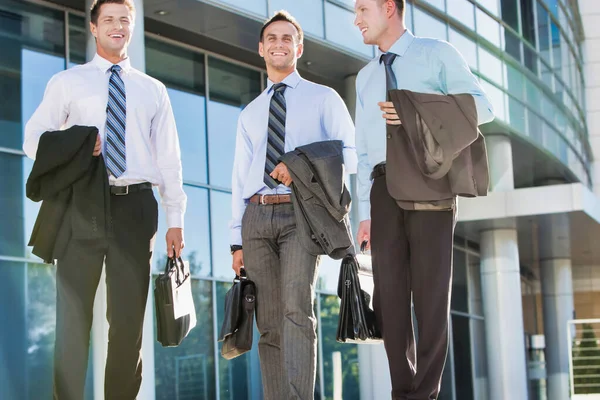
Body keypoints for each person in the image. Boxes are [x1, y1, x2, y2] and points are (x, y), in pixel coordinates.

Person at [23, 0, 186, 398]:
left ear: (131, 28)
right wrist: (79, 144)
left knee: (129, 325)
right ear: (94, 28)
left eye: (124, 20)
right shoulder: (67, 83)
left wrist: (175, 218)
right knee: (74, 322)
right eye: (109, 20)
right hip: (82, 206)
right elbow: (32, 141)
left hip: (136, 207)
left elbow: (169, 160)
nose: (118, 26)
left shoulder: (154, 90)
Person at [353, 0, 494, 399]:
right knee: (389, 300)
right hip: (382, 187)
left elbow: (482, 109)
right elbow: (364, 152)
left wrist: (416, 112)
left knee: (431, 300)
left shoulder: (437, 53)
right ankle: (403, 391)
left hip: (429, 182)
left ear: (389, 8)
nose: (356, 19)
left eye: (363, 8)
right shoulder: (364, 77)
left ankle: (425, 394)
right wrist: (365, 213)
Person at [229, 10, 357, 400]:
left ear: (299, 48)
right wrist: (236, 240)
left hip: (301, 216)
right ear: (261, 49)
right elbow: (238, 179)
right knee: (269, 323)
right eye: (272, 39)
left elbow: (349, 157)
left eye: (288, 38)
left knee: (296, 311)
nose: (279, 44)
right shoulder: (250, 112)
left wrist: (299, 165)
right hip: (256, 215)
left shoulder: (324, 98)